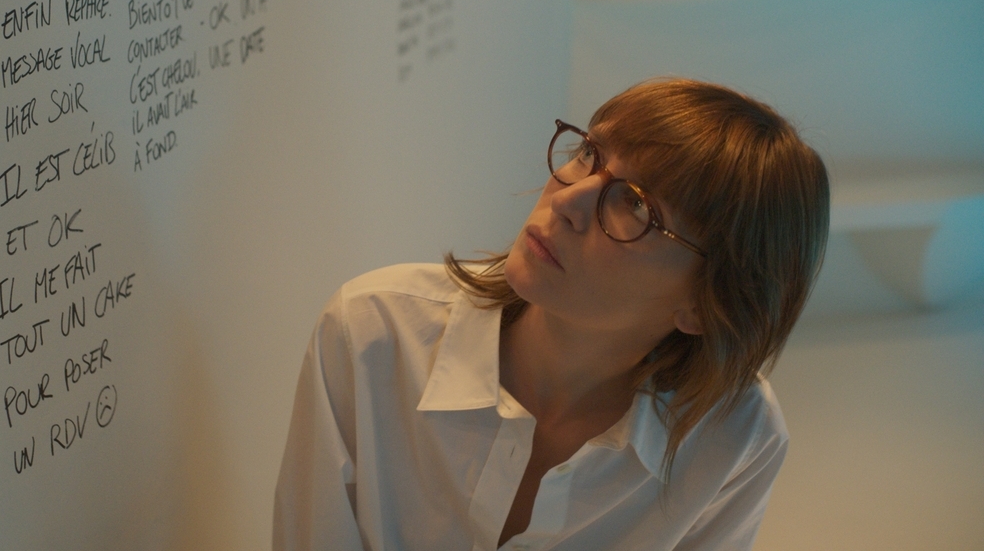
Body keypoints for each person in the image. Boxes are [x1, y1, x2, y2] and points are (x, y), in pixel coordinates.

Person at [273, 78, 830, 551]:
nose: (566, 200)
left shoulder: (734, 436)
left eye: (635, 204)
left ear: (707, 305)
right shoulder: (374, 334)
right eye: (588, 153)